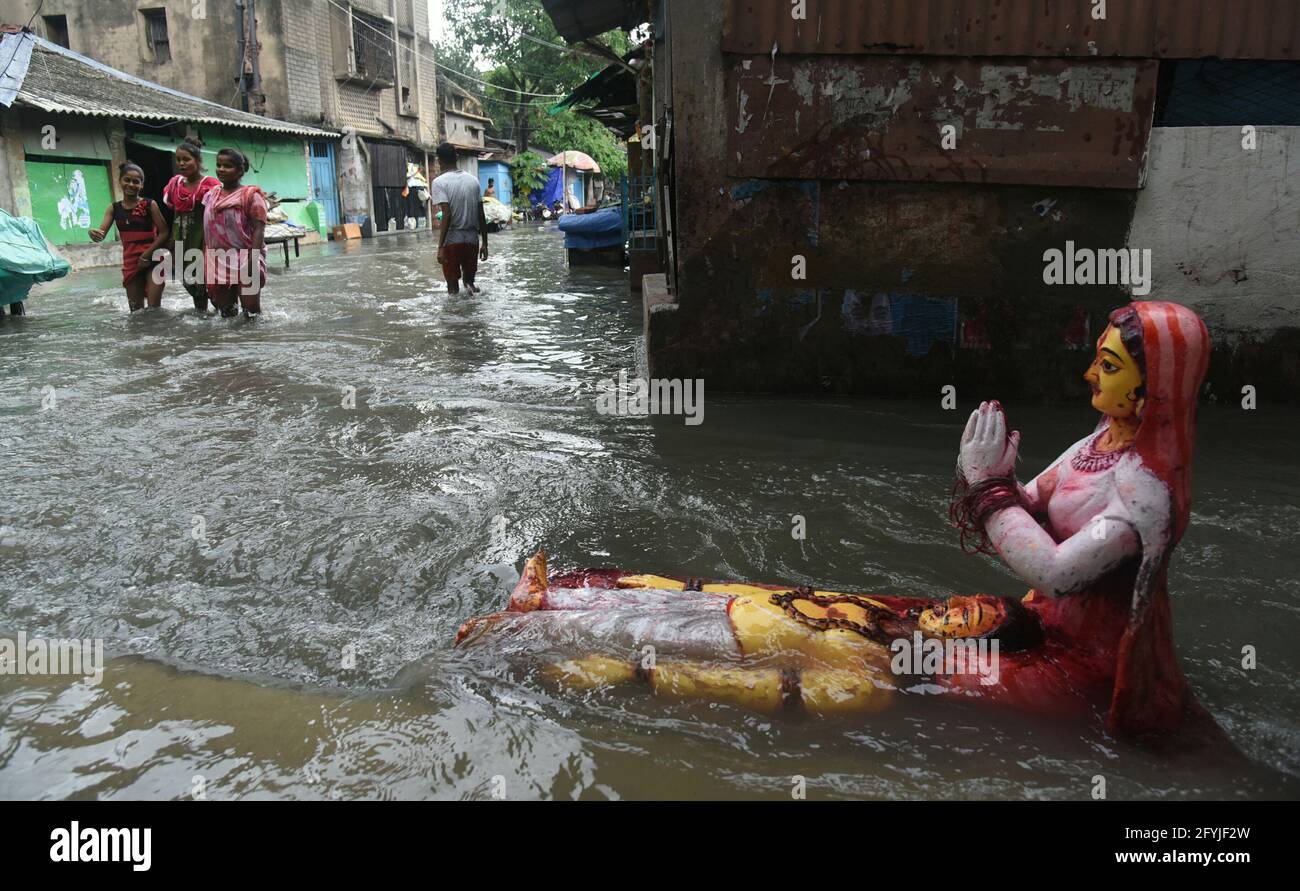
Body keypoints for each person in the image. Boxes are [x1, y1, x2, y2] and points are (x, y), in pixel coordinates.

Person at [456, 302, 1223, 744]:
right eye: (1096, 359)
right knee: (840, 614)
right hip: (1017, 623)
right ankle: (585, 602)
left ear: (1150, 391)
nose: (1091, 375)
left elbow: (1057, 570)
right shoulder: (1098, 444)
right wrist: (993, 482)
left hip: (1064, 670)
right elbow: (1029, 505)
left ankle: (576, 649)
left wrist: (990, 492)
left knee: (869, 672)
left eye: (1109, 367)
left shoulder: (1145, 491)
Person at [89, 162, 168, 312]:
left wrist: (146, 255)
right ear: (120, 181)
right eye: (127, 180)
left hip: (153, 259)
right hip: (131, 262)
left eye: (136, 182)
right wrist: (93, 234)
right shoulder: (114, 208)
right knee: (136, 312)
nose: (131, 184)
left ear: (142, 185)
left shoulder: (150, 205)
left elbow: (164, 233)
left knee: (154, 310)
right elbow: (100, 235)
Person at [202, 148, 267, 318]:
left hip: (246, 257)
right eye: (218, 165)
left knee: (252, 315)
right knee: (227, 316)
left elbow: (259, 229)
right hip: (218, 260)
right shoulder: (211, 195)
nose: (221, 169)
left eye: (227, 166)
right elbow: (207, 229)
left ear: (240, 171)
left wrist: (253, 259)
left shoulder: (251, 196)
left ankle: (254, 345)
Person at [163, 139, 220, 312]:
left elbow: (216, 216)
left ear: (198, 160)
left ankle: (222, 316)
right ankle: (202, 318)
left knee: (209, 281)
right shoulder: (175, 184)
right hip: (181, 237)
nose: (181, 163)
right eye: (178, 160)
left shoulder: (210, 185)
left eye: (186, 159)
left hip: (203, 237)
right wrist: (172, 241)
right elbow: (175, 213)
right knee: (189, 281)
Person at [431, 142, 488, 295]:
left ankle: (457, 317)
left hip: (452, 241)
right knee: (469, 282)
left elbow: (447, 214)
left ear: (439, 160)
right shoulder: (473, 181)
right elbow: (481, 214)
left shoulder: (439, 182)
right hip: (472, 240)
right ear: (456, 157)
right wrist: (485, 244)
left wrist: (440, 247)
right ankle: (472, 305)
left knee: (452, 289)